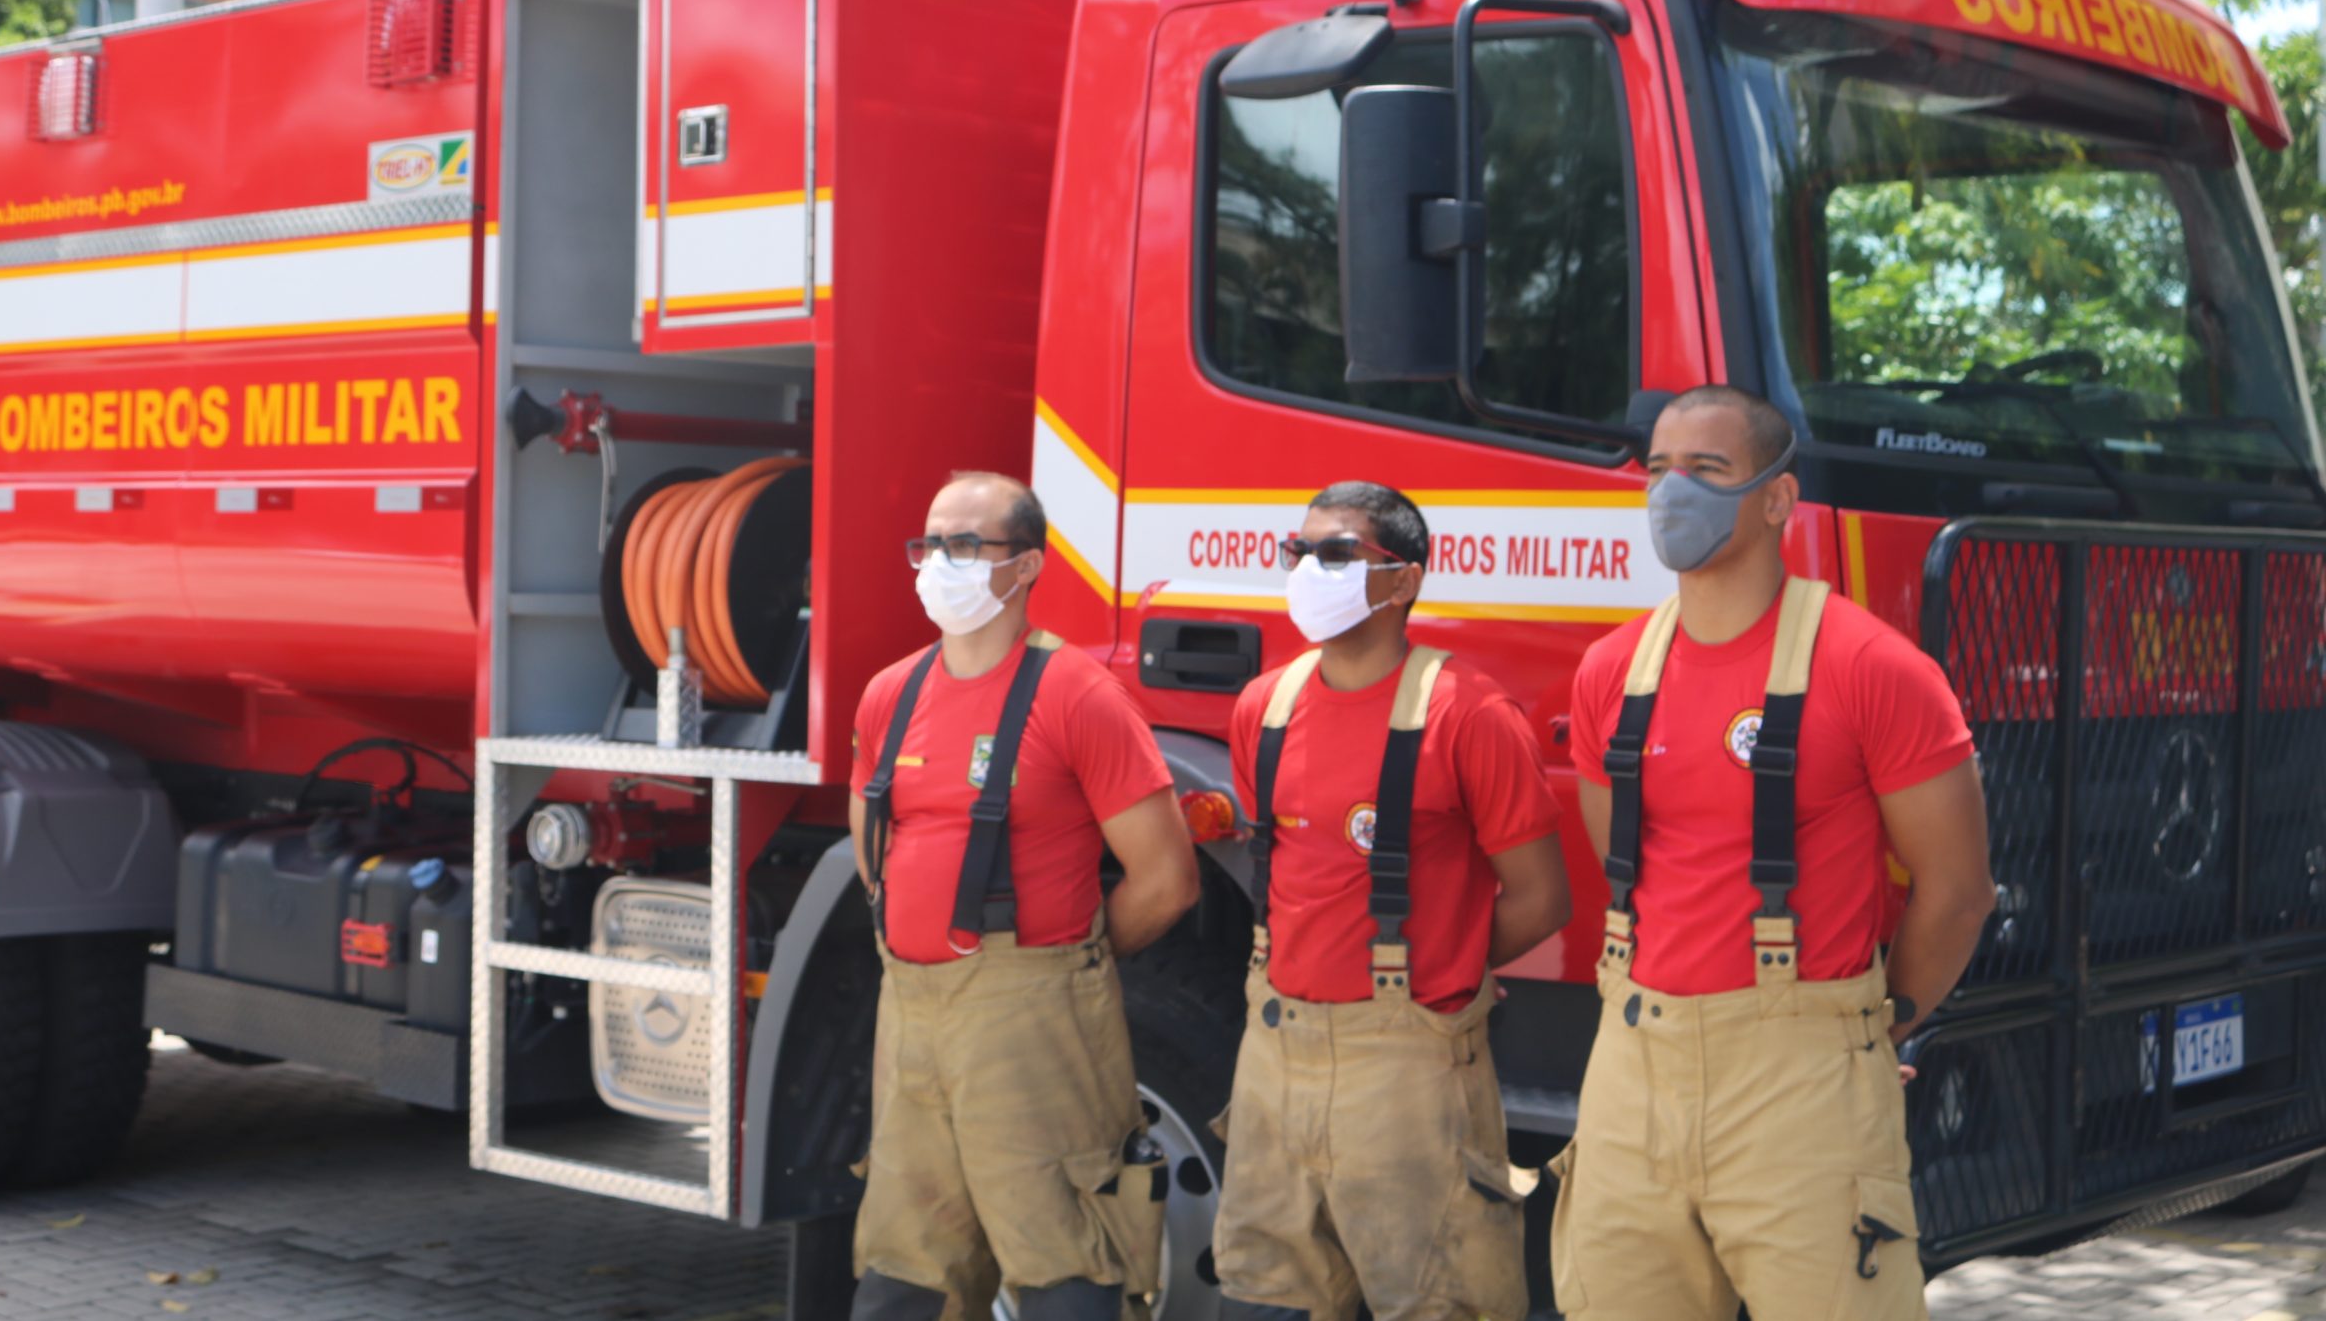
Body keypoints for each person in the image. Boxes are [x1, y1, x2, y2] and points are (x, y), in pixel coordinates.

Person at [1552, 387, 1996, 1321]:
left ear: (1778, 499)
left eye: (1707, 469)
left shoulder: (1871, 667)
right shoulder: (1611, 673)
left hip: (1802, 1088)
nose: (1675, 491)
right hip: (1633, 1067)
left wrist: (1870, 1028)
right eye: (1660, 467)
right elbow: (1625, 863)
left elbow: (1957, 894)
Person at [847, 471, 1202, 1321]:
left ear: (1028, 566)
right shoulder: (889, 692)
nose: (940, 561)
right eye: (930, 544)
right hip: (912, 1012)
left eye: (966, 544)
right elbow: (873, 852)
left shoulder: (1076, 693)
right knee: (904, 1269)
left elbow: (1168, 880)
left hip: (1033, 1021)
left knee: (1063, 1268)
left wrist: (1058, 968)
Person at [1212, 481, 1570, 1321]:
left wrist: (1442, 972)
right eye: (1299, 551)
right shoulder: (1264, 707)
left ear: (1404, 580)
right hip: (1274, 1055)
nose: (1308, 569)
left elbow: (1542, 897)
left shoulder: (1469, 713)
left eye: (1337, 552)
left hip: (1409, 1069)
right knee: (1263, 1299)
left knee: (1440, 1300)